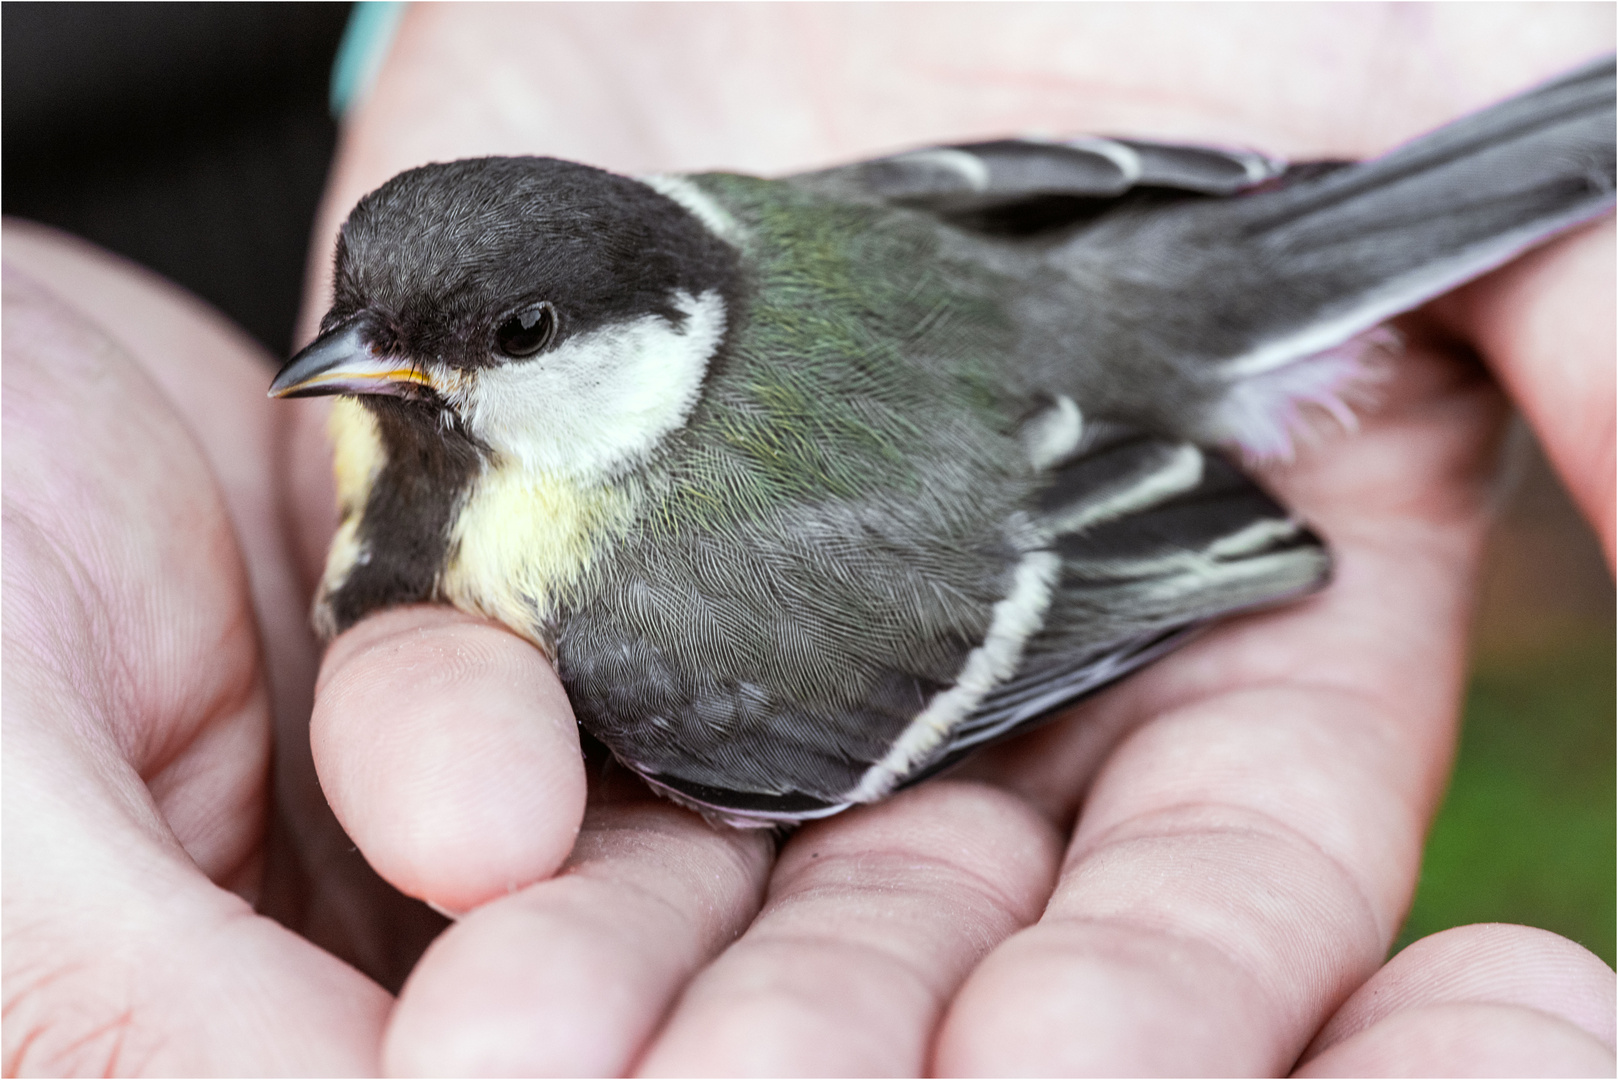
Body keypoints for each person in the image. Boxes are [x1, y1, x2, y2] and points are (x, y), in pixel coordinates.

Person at [5, 6, 1613, 1074]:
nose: (375, 367)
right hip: (1088, 275)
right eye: (374, 328)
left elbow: (1128, 536)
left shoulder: (654, 609)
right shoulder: (658, 269)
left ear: (664, 315)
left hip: (1123, 359)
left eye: (504, 334)